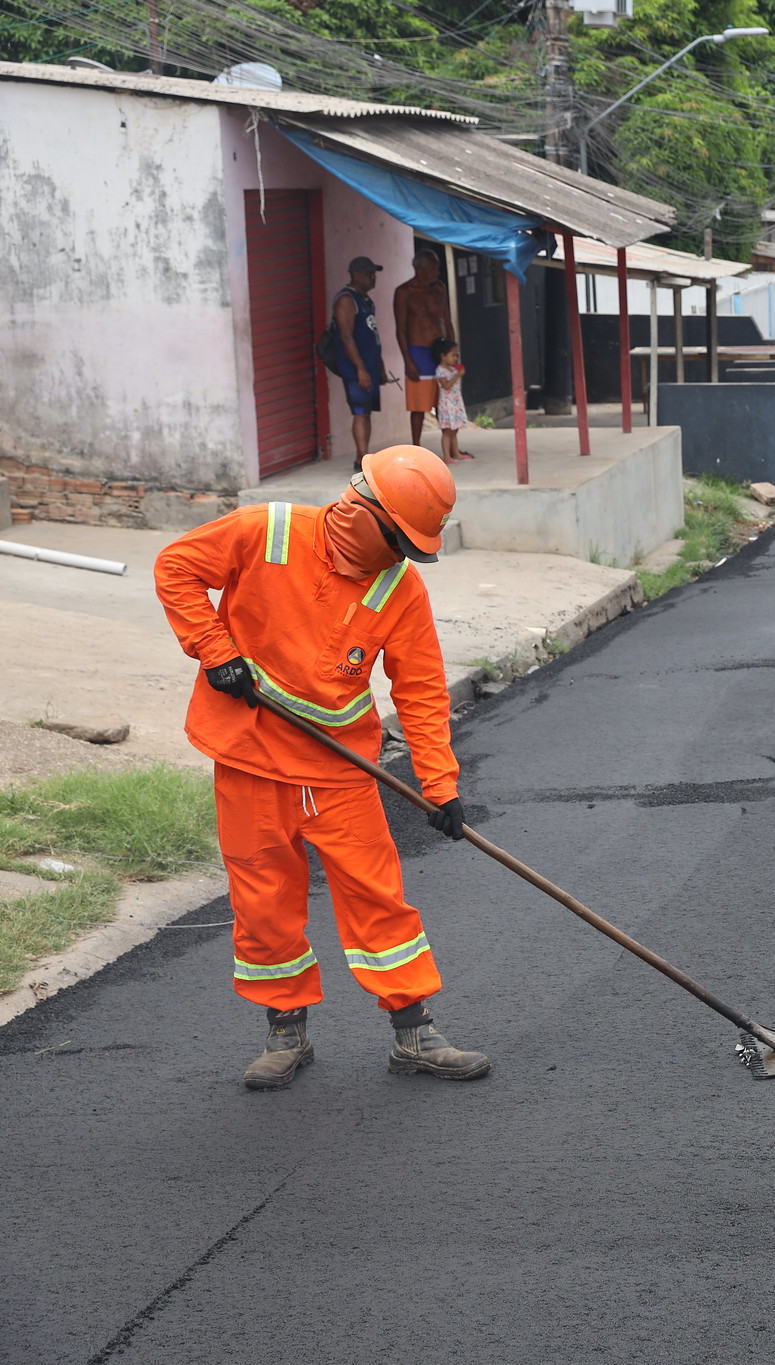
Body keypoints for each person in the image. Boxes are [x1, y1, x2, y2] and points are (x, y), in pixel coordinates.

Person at [154, 446, 490, 1089]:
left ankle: (414, 1032)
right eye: (399, 541)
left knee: (377, 897)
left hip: (339, 771)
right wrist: (216, 650)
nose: (402, 557)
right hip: (250, 759)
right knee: (263, 899)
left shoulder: (397, 587)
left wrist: (440, 784)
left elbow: (420, 688)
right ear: (365, 513)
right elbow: (175, 568)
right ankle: (286, 1031)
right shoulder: (264, 531)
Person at [393, 248, 456, 447]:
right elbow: (400, 329)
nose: (437, 271)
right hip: (417, 351)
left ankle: (450, 448)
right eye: (433, 267)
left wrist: (453, 352)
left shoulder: (439, 288)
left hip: (440, 351)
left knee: (445, 401)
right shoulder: (404, 292)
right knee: (418, 406)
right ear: (421, 269)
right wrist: (407, 360)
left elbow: (447, 320)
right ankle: (416, 446)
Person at [332, 257, 388, 472]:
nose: (373, 278)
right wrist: (361, 368)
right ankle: (362, 458)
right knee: (359, 412)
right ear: (356, 274)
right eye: (369, 273)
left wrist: (379, 366)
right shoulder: (347, 300)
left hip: (371, 366)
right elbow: (346, 337)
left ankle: (362, 456)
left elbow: (373, 336)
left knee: (367, 412)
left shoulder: (365, 300)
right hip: (357, 369)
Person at [432, 339, 473, 464]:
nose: (455, 358)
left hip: (455, 402)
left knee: (455, 430)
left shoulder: (452, 369)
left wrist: (457, 372)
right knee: (447, 431)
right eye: (453, 355)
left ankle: (456, 453)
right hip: (447, 404)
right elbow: (446, 386)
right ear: (443, 356)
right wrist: (457, 376)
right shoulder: (440, 370)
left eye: (456, 355)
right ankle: (447, 456)